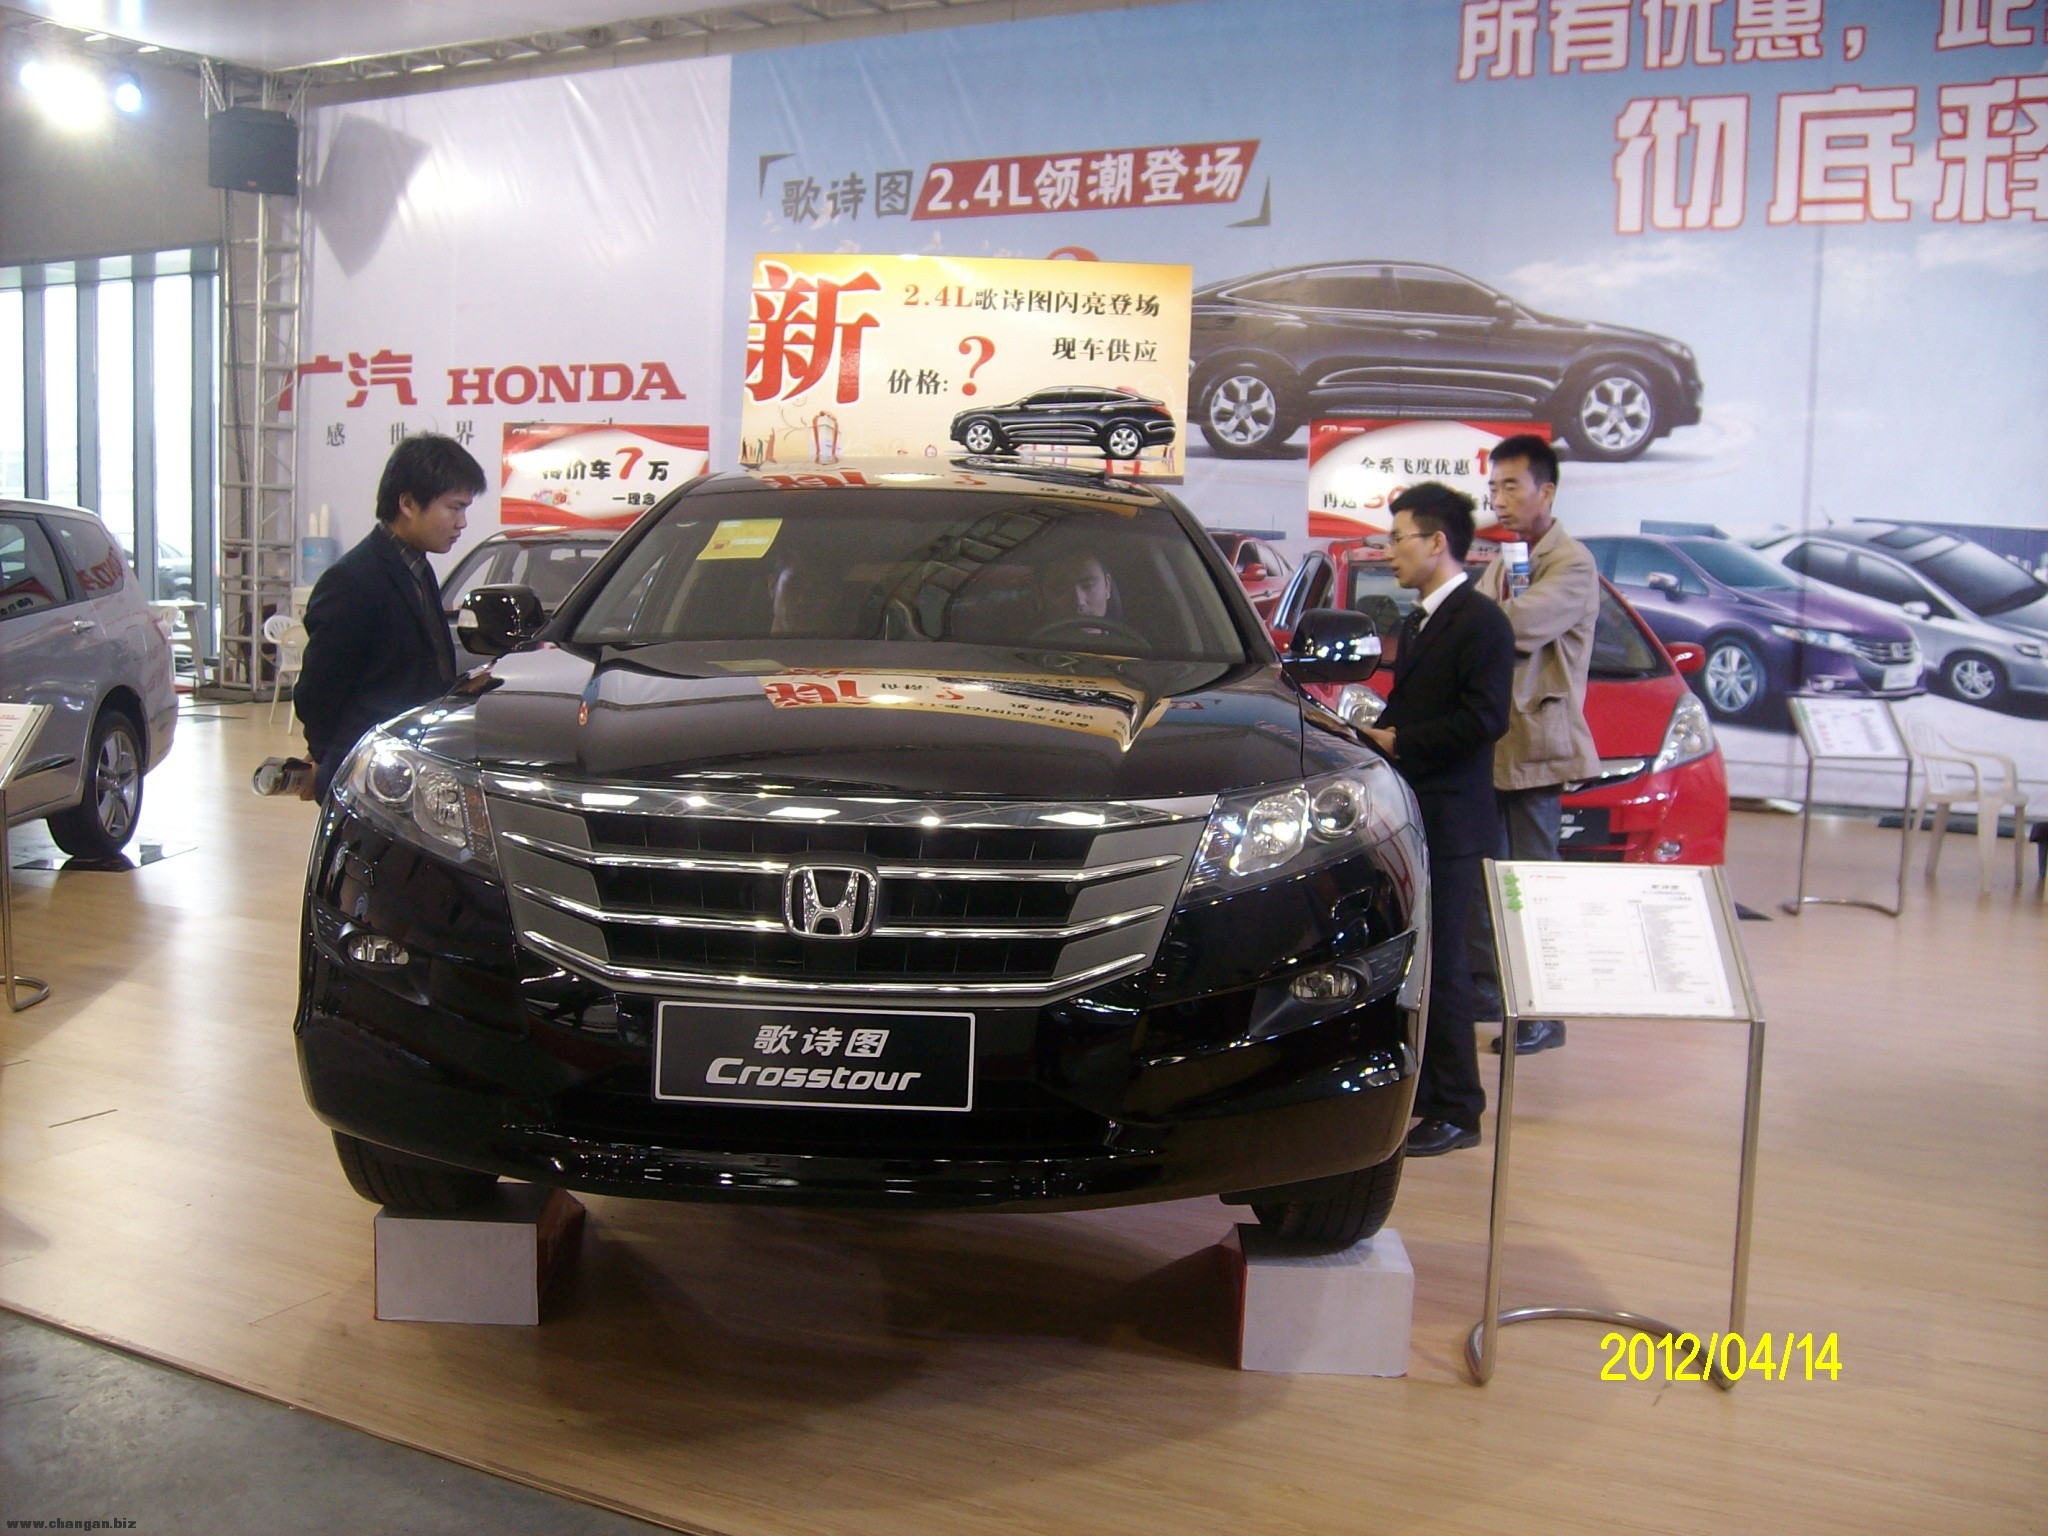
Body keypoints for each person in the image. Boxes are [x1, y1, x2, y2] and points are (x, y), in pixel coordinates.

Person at [1360, 483, 1514, 1157]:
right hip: (1417, 814)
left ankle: (1459, 1107)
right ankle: (1424, 1088)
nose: (1389, 551)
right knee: (1420, 959)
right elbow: (1410, 708)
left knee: (1446, 966)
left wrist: (1402, 742)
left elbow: (1486, 719)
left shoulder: (1481, 622)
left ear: (1437, 542)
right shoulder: (1421, 620)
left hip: (1454, 820)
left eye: (1399, 538)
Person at [1469, 434, 1602, 1056]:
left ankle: (1546, 1010)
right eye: (1493, 487)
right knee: (1490, 877)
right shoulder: (1508, 559)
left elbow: (1511, 626)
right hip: (1497, 746)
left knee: (1534, 883)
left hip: (1538, 747)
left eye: (1511, 486)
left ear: (1546, 491)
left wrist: (1456, 617)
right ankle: (1496, 990)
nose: (1499, 499)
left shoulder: (1571, 563)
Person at [295, 434, 484, 800]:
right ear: (408, 504)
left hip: (409, 764)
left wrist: (462, 686)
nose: (461, 522)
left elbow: (413, 671)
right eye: (454, 508)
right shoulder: (353, 580)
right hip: (365, 771)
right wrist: (325, 759)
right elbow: (318, 690)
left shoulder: (417, 568)